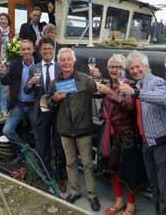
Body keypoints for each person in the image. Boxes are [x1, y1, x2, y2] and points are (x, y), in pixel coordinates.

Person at [120, 50, 166, 215]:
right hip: (146, 142)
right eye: (132, 69)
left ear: (146, 66)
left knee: (165, 188)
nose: (135, 70)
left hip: (161, 142)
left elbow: (163, 98)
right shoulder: (136, 84)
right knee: (154, 187)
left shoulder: (156, 81)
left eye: (138, 66)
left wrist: (136, 93)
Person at [47, 48, 101, 212]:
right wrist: (54, 99)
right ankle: (74, 191)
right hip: (65, 129)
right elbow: (48, 103)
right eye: (62, 60)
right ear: (59, 62)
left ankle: (92, 195)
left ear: (74, 61)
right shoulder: (54, 83)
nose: (65, 63)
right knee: (70, 163)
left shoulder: (85, 79)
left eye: (68, 59)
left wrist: (97, 77)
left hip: (83, 129)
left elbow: (97, 93)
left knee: (87, 164)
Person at [96, 54, 146, 215]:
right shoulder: (106, 84)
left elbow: (129, 105)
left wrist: (109, 92)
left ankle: (131, 205)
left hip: (127, 135)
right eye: (111, 66)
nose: (114, 70)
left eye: (118, 67)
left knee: (130, 171)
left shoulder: (129, 84)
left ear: (124, 70)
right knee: (113, 169)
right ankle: (118, 201)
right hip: (110, 133)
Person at [24, 37, 67, 191]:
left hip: (58, 110)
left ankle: (61, 175)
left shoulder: (60, 67)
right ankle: (45, 174)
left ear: (53, 49)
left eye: (50, 48)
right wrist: (30, 83)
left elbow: (68, 87)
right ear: (39, 51)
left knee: (59, 143)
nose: (47, 51)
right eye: (44, 49)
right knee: (42, 144)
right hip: (41, 111)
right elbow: (26, 90)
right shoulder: (33, 68)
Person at [0, 39, 36, 162]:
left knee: (39, 132)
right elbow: (5, 81)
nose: (26, 51)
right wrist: (3, 74)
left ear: (33, 50)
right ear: (20, 51)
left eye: (28, 49)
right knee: (7, 130)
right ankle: (24, 151)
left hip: (34, 105)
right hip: (19, 104)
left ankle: (39, 156)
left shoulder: (39, 65)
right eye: (23, 49)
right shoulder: (15, 65)